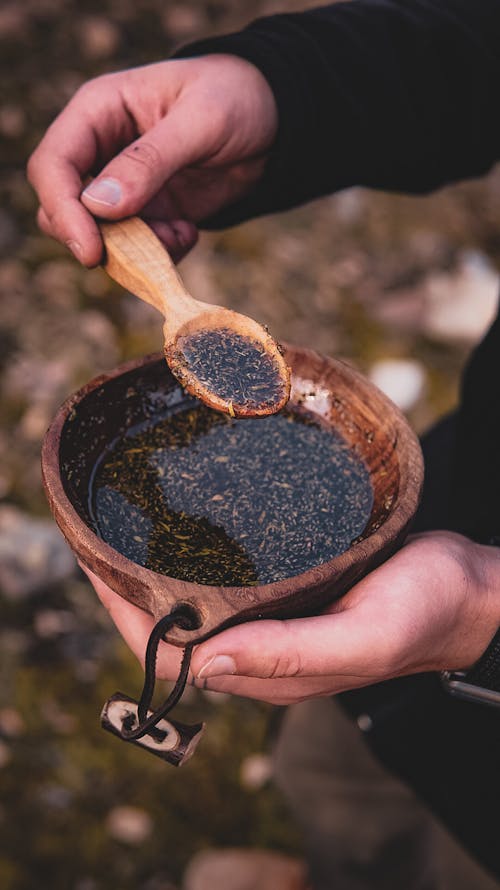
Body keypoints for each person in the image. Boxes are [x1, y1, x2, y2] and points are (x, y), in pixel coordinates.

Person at [28, 1, 500, 884]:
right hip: (452, 513)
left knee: (464, 849)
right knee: (336, 775)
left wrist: (488, 614)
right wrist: (286, 87)